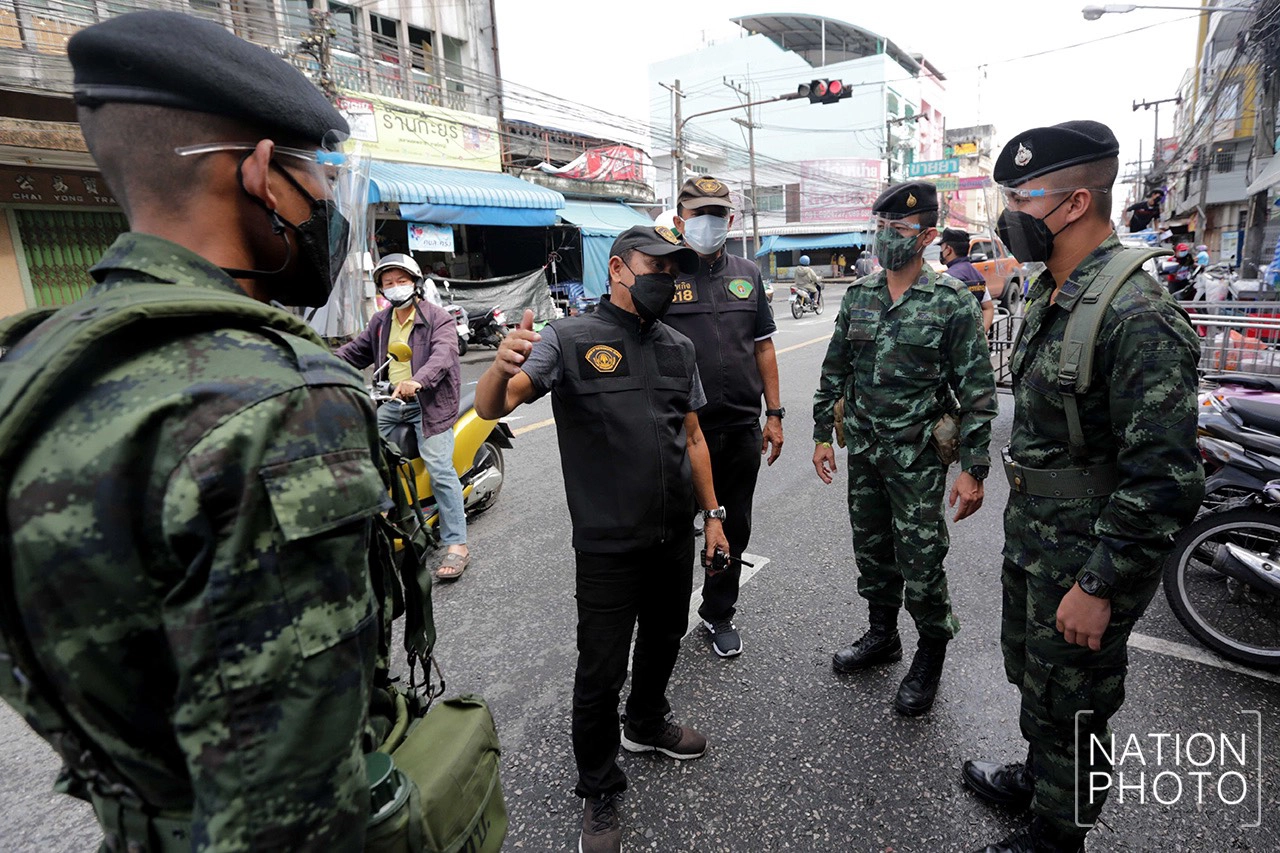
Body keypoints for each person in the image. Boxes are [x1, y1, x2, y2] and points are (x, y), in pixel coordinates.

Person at [1, 11, 384, 849]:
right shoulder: (276, 400)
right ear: (259, 174)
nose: (326, 203)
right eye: (317, 177)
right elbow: (290, 804)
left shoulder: (29, 366)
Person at [962, 120, 1203, 853]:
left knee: (1080, 697)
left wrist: (1099, 585)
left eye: (1020, 197)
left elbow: (1164, 478)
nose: (1009, 215)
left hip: (1089, 552)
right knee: (1042, 678)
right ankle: (1042, 778)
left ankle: (1060, 832)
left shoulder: (1136, 313)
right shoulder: (1055, 290)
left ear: (1072, 203)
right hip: (1039, 536)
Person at [474, 225, 728, 853]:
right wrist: (498, 367)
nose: (666, 280)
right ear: (618, 269)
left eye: (675, 271)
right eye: (655, 267)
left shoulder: (677, 347)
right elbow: (495, 406)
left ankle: (645, 724)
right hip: (608, 543)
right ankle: (598, 787)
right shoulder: (568, 338)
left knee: (667, 636)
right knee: (600, 669)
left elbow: (693, 437)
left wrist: (714, 515)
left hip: (673, 536)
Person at [813, 181, 997, 717]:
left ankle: (931, 651)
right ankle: (882, 635)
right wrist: (823, 434)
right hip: (865, 451)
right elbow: (835, 371)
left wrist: (975, 468)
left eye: (898, 230)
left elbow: (978, 391)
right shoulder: (860, 295)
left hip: (916, 456)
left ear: (927, 236)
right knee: (871, 550)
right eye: (881, 228)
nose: (886, 238)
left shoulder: (951, 302)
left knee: (920, 559)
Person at [666, 175, 784, 658]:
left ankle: (718, 612)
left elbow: (764, 347)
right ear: (680, 222)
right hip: (679, 428)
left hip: (738, 427)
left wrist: (774, 414)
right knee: (672, 527)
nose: (709, 224)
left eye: (718, 215)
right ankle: (667, 616)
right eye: (699, 215)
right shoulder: (663, 272)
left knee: (734, 525)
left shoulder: (749, 273)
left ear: (730, 221)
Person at [336, 253, 469, 580]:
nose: (395, 288)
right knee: (362, 455)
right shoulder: (381, 322)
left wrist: (417, 380)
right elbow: (354, 352)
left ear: (415, 283)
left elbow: (443, 355)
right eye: (388, 283)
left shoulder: (438, 318)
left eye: (401, 281)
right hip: (391, 403)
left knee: (440, 468)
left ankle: (457, 543)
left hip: (429, 403)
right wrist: (317, 365)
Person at [939, 228, 996, 332]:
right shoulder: (977, 275)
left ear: (948, 249)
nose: (941, 251)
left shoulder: (947, 277)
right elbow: (988, 308)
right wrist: (981, 335)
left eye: (941, 247)